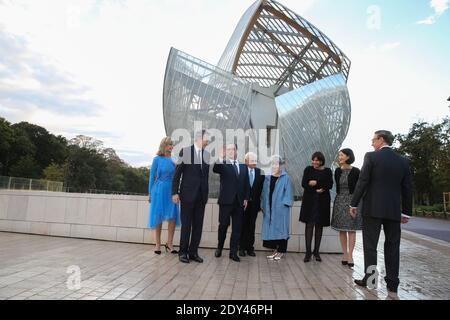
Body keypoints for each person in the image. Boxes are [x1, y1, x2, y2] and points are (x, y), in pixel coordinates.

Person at [350, 130, 412, 295]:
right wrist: (406, 212)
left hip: (372, 209)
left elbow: (363, 181)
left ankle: (370, 280)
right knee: (393, 246)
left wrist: (353, 203)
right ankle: (392, 284)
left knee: (370, 245)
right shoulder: (403, 161)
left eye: (373, 139)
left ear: (381, 139)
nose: (372, 143)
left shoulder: (371, 157)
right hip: (393, 210)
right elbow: (407, 188)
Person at [172, 130, 210, 264]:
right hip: (187, 195)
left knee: (198, 226)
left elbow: (206, 177)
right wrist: (175, 192)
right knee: (186, 225)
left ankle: (193, 252)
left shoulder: (207, 154)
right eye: (207, 138)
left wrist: (206, 194)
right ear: (200, 138)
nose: (208, 140)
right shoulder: (186, 151)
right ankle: (183, 252)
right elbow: (177, 173)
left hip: (201, 197)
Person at [213, 144, 250, 262]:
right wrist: (220, 157)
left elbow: (246, 184)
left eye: (233, 149)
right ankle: (219, 247)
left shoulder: (244, 166)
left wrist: (246, 198)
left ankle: (233, 253)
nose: (230, 151)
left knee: (237, 229)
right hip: (226, 201)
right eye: (228, 149)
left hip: (239, 202)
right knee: (223, 226)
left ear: (236, 151)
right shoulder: (223, 164)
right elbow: (215, 169)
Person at [148, 137, 181, 255]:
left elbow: (177, 177)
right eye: (169, 145)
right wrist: (149, 193)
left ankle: (169, 243)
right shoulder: (157, 159)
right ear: (163, 146)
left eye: (172, 145)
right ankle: (158, 244)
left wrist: (177, 191)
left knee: (172, 217)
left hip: (171, 191)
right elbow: (152, 176)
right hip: (159, 190)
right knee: (159, 216)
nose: (171, 147)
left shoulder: (174, 159)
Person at [299, 152, 333, 263]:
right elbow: (304, 184)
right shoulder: (308, 169)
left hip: (322, 202)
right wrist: (316, 189)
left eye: (317, 160)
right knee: (309, 225)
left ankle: (316, 252)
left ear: (322, 161)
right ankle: (308, 252)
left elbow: (329, 184)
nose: (314, 162)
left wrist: (316, 183)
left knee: (319, 226)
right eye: (313, 160)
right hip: (310, 201)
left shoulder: (327, 171)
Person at [331, 148, 362, 268]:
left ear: (348, 157)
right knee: (341, 229)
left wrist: (356, 204)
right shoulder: (337, 171)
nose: (340, 157)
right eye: (339, 155)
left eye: (342, 155)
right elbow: (337, 187)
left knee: (351, 229)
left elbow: (359, 188)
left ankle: (350, 255)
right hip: (339, 201)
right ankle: (344, 254)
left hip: (352, 201)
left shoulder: (356, 171)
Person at [260, 155, 294, 261]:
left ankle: (282, 251)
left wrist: (284, 205)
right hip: (269, 207)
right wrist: (263, 205)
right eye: (273, 164)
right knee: (272, 229)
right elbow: (264, 192)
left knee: (282, 229)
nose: (274, 166)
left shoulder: (286, 177)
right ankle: (275, 250)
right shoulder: (267, 177)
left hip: (281, 208)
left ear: (281, 165)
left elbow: (289, 193)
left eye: (276, 164)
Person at [239, 152, 265, 257]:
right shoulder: (241, 171)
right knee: (242, 226)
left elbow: (262, 189)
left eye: (255, 160)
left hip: (254, 205)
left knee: (251, 226)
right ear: (246, 162)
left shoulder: (260, 172)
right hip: (243, 204)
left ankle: (250, 248)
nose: (254, 162)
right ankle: (241, 248)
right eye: (252, 160)